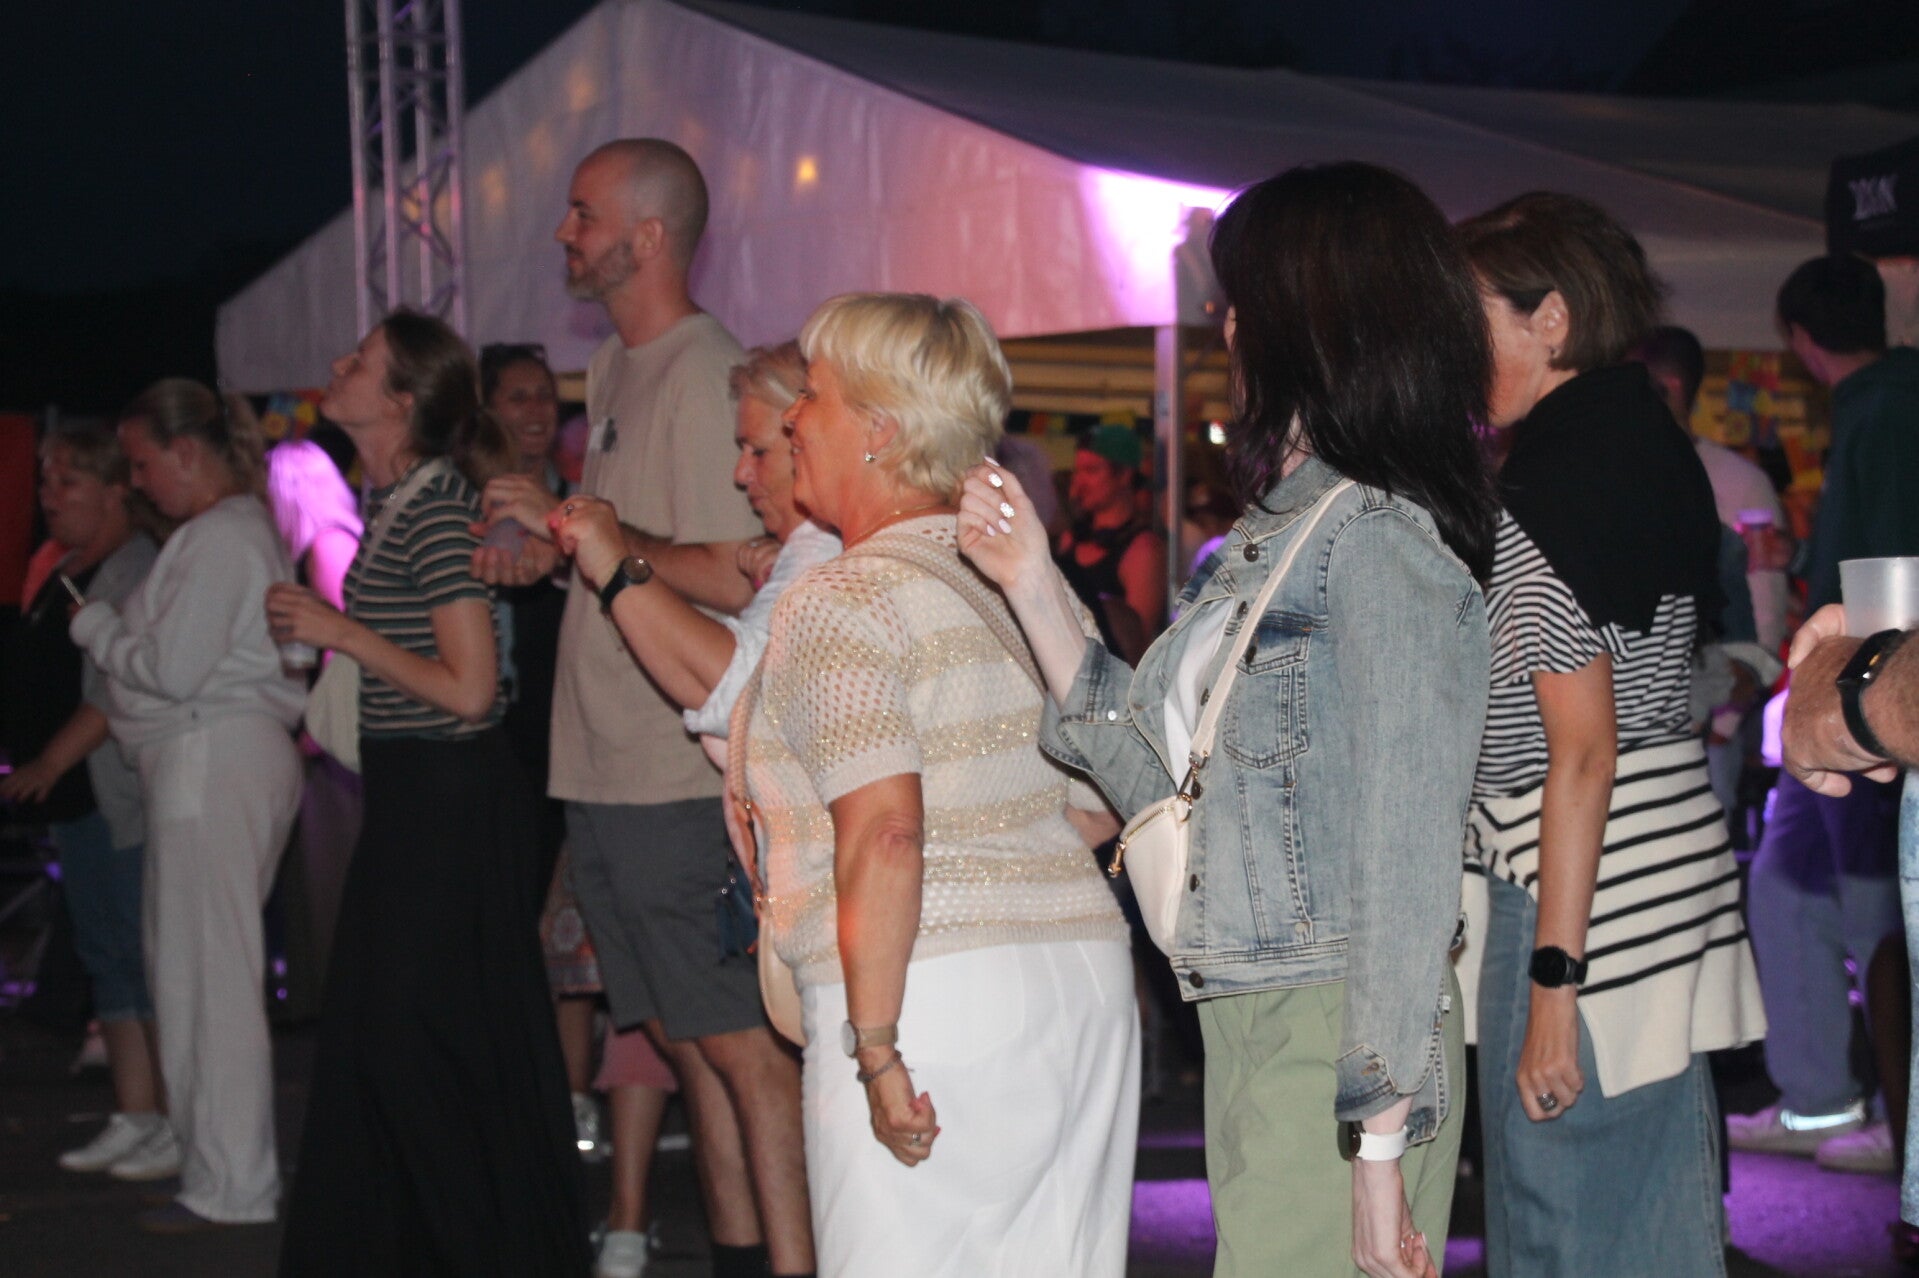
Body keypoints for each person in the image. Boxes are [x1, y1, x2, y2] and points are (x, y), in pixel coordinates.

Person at [967, 164, 1498, 1278]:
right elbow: (1150, 776)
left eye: (1240, 299)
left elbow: (1407, 872)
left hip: (1336, 1027)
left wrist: (1376, 1145)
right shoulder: (1275, 539)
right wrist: (1030, 580)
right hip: (1250, 1005)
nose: (1225, 326)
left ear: (1308, 320)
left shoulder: (1377, 546)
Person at [729, 291, 1134, 1277]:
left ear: (877, 430)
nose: (792, 418)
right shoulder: (1024, 582)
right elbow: (1101, 803)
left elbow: (885, 833)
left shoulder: (843, 596)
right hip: (1080, 982)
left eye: (813, 395)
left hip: (925, 992)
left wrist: (873, 1050)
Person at [471, 138, 811, 1278]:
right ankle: (739, 1256)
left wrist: (592, 536)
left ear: (649, 237)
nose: (563, 233)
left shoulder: (706, 369)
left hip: (673, 765)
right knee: (689, 1043)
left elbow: (744, 568)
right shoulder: (616, 365)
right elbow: (640, 551)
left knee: (739, 1048)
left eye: (583, 214)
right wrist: (559, 549)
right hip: (610, 763)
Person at [1456, 191, 1765, 1277]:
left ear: (1549, 319)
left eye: (1469, 320)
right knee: (1651, 1221)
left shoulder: (1541, 493)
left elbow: (1580, 752)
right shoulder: (1651, 445)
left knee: (1558, 1223)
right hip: (1664, 869)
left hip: (1575, 889)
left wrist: (1553, 987)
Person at [268, 311, 589, 1275]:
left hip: (448, 800)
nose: (337, 364)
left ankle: (474, 1248)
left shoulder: (438, 508)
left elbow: (472, 689)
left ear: (401, 400)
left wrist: (340, 631)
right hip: (416, 795)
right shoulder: (403, 502)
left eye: (360, 360)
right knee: (395, 1042)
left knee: (416, 1044)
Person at [548, 341, 833, 1278]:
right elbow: (713, 568)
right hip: (789, 859)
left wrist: (614, 564)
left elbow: (728, 691)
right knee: (707, 1051)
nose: (740, 474)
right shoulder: (805, 548)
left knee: (747, 1057)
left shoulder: (836, 551)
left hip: (830, 878)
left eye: (758, 451)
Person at [67, 380, 306, 1233]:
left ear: (185, 452)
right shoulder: (225, 535)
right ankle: (217, 1172)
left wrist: (99, 630)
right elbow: (166, 677)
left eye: (140, 464)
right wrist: (138, 673)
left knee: (210, 979)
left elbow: (167, 671)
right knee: (194, 974)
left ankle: (233, 1184)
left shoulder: (223, 536)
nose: (135, 482)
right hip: (208, 755)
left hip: (214, 760)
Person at [1729, 253, 1919, 1175]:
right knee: (1785, 884)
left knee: (1878, 908)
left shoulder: (1883, 408)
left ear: (1799, 340)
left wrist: (1864, 693)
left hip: (1868, 696)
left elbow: (1891, 558)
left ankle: (1898, 1118)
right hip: (1846, 690)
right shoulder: (1878, 402)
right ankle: (1818, 1099)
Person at [0, 418, 163, 1178]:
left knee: (136, 953)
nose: (49, 495)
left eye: (68, 481)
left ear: (114, 489)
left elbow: (114, 692)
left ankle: (170, 1115)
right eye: (45, 481)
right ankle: (137, 1113)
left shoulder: (132, 568)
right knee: (106, 955)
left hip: (112, 792)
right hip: (76, 799)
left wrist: (48, 762)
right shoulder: (62, 564)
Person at [1056, 422, 1167, 662]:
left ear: (1124, 475)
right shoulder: (1071, 539)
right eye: (1078, 471)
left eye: (1091, 470)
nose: (1080, 481)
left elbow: (1135, 645)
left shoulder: (1143, 550)